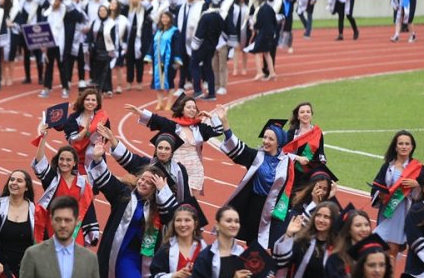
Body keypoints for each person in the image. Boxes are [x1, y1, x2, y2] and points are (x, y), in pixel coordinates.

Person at [89, 138, 178, 278]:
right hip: (123, 256)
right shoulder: (124, 195)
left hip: (146, 258)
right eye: (142, 179)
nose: (143, 183)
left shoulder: (159, 206)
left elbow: (174, 215)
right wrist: (99, 158)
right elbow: (105, 180)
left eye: (150, 181)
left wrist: (163, 189)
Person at [217, 115, 308, 250]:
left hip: (275, 211)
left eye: (271, 139)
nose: (265, 141)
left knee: (272, 246)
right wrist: (225, 123)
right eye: (265, 137)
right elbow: (237, 146)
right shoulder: (256, 157)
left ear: (279, 142)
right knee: (253, 244)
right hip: (255, 207)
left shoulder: (287, 162)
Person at [127, 96, 224, 195]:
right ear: (182, 110)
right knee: (175, 197)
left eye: (194, 108)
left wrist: (212, 117)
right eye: (189, 107)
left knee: (189, 200)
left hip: (195, 170)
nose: (192, 110)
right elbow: (156, 119)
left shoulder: (200, 128)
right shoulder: (173, 126)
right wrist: (140, 112)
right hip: (175, 170)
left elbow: (218, 131)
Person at [31, 136, 100, 247]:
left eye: (68, 160)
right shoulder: (52, 178)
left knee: (75, 260)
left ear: (74, 163)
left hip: (75, 229)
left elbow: (87, 206)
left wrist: (92, 229)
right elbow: (39, 162)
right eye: (61, 159)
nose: (64, 163)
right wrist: (43, 138)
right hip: (54, 226)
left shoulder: (82, 183)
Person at [371, 130, 424, 260]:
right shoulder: (387, 166)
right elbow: (377, 186)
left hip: (403, 212)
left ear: (412, 147)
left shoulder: (418, 168)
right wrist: (380, 195)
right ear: (395, 147)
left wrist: (417, 184)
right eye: (401, 143)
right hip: (388, 210)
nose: (404, 146)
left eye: (407, 144)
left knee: (392, 249)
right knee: (379, 247)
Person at [63, 86, 110, 171]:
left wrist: (101, 133)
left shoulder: (102, 118)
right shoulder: (73, 118)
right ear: (82, 101)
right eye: (87, 99)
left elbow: (105, 139)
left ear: (97, 103)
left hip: (95, 156)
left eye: (93, 100)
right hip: (76, 157)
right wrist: (85, 131)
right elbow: (72, 139)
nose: (90, 102)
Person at [282, 101, 327, 190]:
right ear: (298, 116)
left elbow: (321, 153)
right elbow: (284, 153)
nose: (305, 114)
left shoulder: (317, 132)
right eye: (302, 112)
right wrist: (298, 158)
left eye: (308, 112)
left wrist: (322, 164)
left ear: (311, 115)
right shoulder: (292, 133)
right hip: (294, 173)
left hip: (311, 174)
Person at [146, 9, 178, 111]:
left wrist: (177, 60)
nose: (164, 19)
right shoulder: (158, 31)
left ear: (170, 19)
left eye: (166, 17)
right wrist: (149, 56)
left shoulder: (174, 31)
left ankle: (169, 104)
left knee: (169, 81)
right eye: (163, 17)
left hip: (169, 61)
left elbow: (178, 46)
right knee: (158, 83)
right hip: (158, 61)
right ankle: (160, 103)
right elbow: (152, 44)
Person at [248, 0, 279, 80]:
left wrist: (253, 26)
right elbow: (274, 21)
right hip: (270, 32)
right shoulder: (270, 8)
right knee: (266, 52)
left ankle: (259, 72)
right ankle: (272, 72)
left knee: (257, 51)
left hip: (263, 33)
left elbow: (259, 23)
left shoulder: (261, 9)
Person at [124, 0, 153, 92]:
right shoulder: (127, 10)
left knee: (139, 61)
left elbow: (151, 6)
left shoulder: (144, 11)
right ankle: (129, 81)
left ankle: (139, 81)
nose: (135, 0)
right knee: (129, 61)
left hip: (140, 38)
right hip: (130, 37)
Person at [227, 0, 251, 75]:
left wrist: (250, 19)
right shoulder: (233, 6)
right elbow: (230, 18)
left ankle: (244, 68)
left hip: (245, 30)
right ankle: (235, 68)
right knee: (236, 49)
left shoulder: (248, 6)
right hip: (235, 30)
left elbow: (253, 17)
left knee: (244, 50)